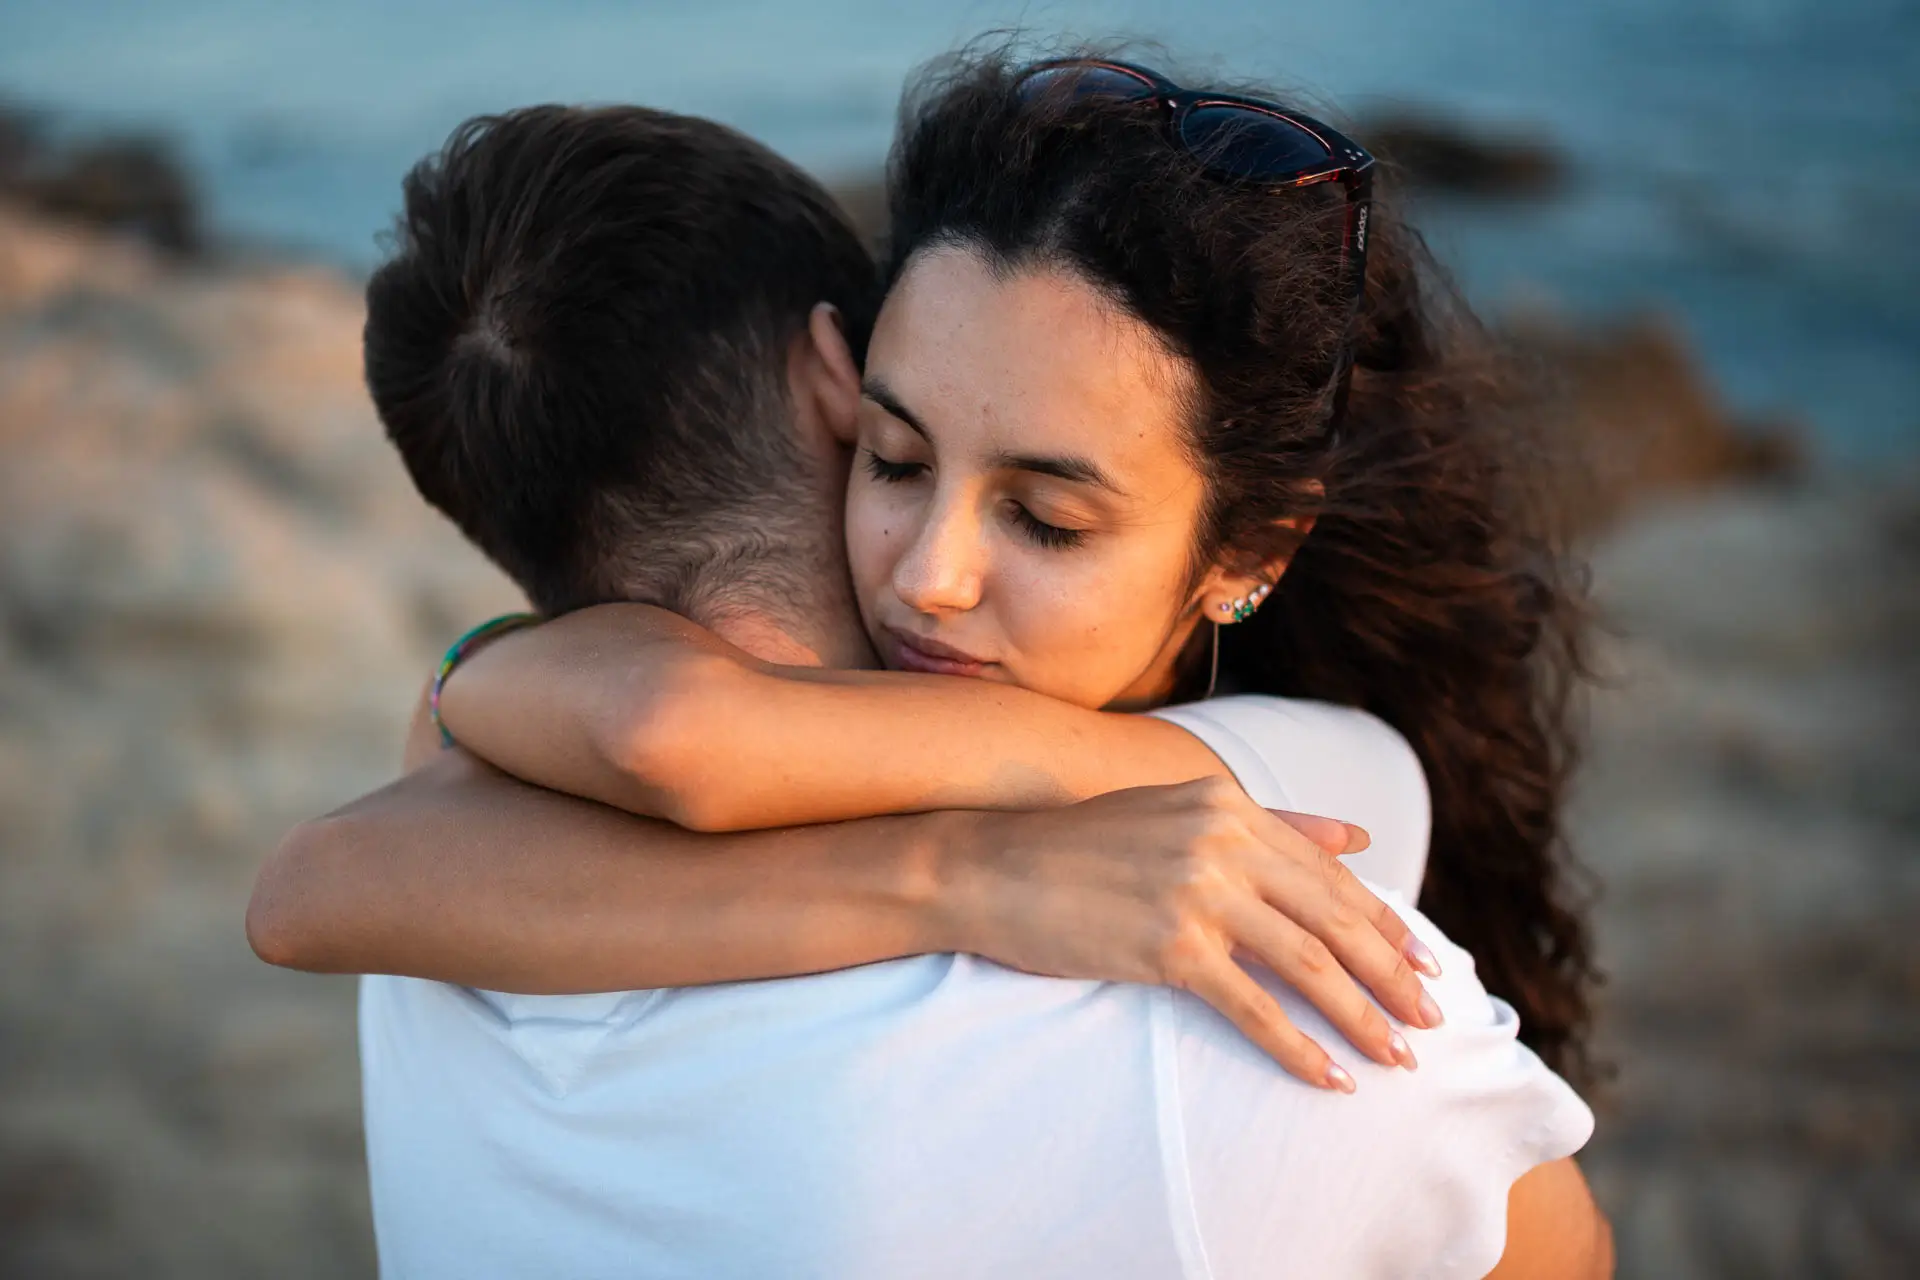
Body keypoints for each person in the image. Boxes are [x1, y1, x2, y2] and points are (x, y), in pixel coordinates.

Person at [253, 56, 1610, 1276]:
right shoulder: (1228, 994)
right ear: (841, 386)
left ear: (1249, 549)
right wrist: (970, 876)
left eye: (1047, 518)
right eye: (897, 464)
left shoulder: (1297, 832)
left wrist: (471, 674)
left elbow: (636, 746)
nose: (929, 577)